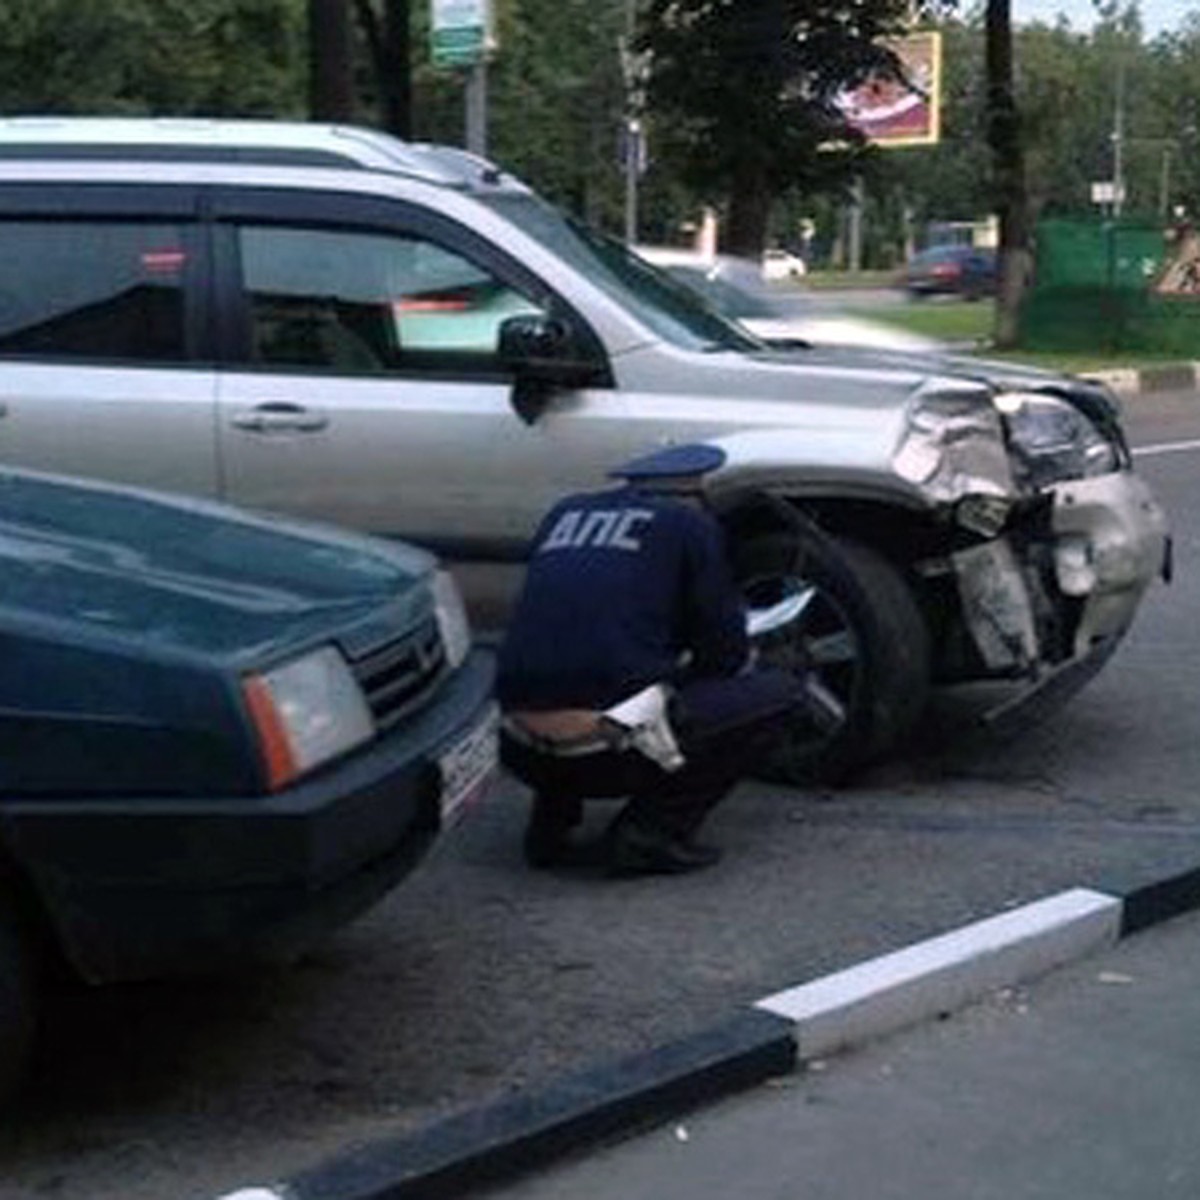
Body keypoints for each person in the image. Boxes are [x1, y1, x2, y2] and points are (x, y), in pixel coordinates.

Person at [496, 443, 809, 876]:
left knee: (567, 672)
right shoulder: (687, 524)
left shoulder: (564, 513)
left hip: (515, 749)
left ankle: (550, 826)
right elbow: (724, 655)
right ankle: (650, 834)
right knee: (779, 694)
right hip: (605, 753)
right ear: (694, 492)